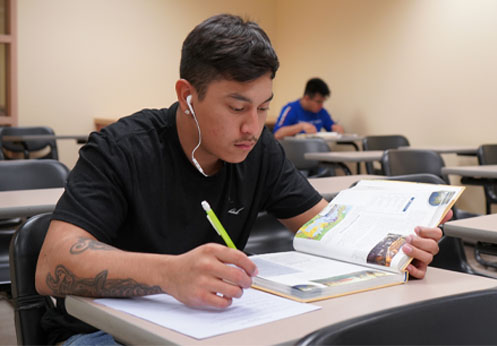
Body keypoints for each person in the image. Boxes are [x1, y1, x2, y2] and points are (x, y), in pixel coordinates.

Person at [35, 14, 447, 345]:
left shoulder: (259, 150)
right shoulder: (121, 148)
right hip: (99, 332)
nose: (253, 126)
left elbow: (324, 228)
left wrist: (395, 252)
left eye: (263, 107)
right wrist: (168, 274)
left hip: (211, 329)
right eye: (237, 107)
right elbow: (52, 263)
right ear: (187, 95)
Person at [273, 78, 344, 139]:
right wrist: (300, 127)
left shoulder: (321, 111)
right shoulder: (290, 109)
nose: (321, 105)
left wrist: (337, 129)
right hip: (295, 151)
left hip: (316, 150)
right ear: (307, 98)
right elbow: (277, 135)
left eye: (323, 102)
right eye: (318, 102)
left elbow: (332, 127)